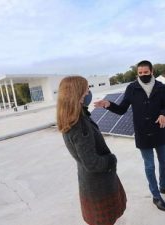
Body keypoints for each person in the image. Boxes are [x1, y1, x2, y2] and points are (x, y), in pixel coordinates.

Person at [94, 60, 165, 211]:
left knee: (164, 161)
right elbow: (122, 109)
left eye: (145, 72)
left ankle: (164, 186)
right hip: (143, 134)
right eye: (140, 73)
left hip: (159, 131)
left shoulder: (160, 87)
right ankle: (156, 196)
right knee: (150, 166)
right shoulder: (132, 88)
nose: (143, 75)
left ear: (152, 72)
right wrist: (108, 104)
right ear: (137, 74)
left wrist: (163, 115)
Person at [57, 76, 126, 225]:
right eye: (87, 89)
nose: (89, 92)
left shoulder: (72, 118)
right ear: (78, 94)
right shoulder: (79, 125)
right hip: (99, 186)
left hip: (90, 182)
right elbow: (92, 163)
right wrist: (111, 160)